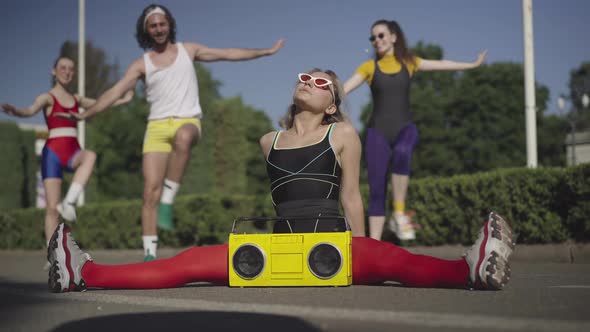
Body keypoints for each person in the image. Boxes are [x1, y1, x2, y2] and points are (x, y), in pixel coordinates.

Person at [47, 68, 515, 293]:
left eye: (319, 81)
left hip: (328, 246)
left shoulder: (344, 133)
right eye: (303, 76)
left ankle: (468, 269)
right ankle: (83, 272)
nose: (306, 81)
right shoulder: (267, 140)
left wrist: (357, 254)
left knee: (391, 258)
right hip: (274, 249)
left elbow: (352, 196)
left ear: (332, 103)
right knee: (190, 262)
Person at [61, 4, 285, 262]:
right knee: (149, 191)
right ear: (146, 29)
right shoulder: (141, 64)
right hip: (156, 127)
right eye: (153, 25)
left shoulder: (188, 51)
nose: (158, 29)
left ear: (170, 25)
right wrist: (86, 115)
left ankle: (169, 198)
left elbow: (228, 53)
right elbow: (114, 92)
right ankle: (149, 252)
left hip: (187, 121)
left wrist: (264, 52)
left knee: (184, 137)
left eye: (162, 24)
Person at [343, 20, 487, 241]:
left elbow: (441, 64)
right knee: (377, 189)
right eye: (373, 38)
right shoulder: (369, 68)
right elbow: (344, 89)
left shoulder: (409, 62)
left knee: (402, 153)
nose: (376, 41)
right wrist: (325, 94)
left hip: (404, 128)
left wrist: (471, 65)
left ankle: (399, 213)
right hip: (377, 133)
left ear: (393, 37)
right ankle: (375, 244)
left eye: (381, 35)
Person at [1, 56, 132, 258]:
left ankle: (70, 201)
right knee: (52, 209)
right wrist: (16, 111)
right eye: (63, 68)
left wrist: (123, 99)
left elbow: (100, 104)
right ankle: (52, 256)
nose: (67, 72)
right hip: (53, 152)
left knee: (90, 156)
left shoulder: (77, 99)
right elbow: (29, 110)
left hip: (73, 150)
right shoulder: (47, 97)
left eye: (71, 69)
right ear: (54, 71)